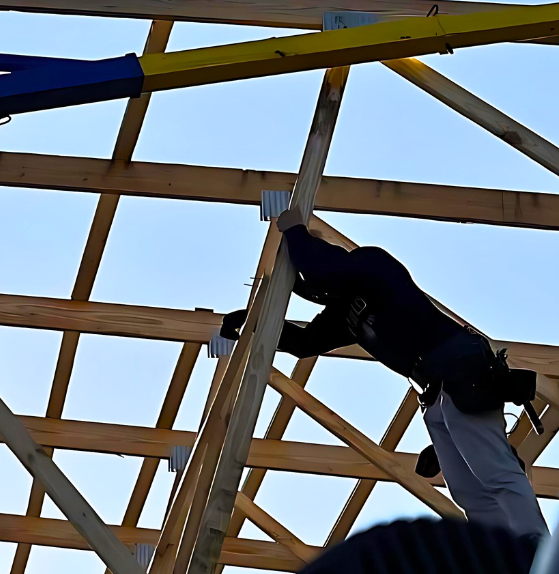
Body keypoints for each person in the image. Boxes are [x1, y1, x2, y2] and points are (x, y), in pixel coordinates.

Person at [222, 218, 546, 538]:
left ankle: (533, 543)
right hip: (437, 391)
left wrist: (293, 229)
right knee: (466, 489)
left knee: (494, 472)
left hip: (460, 372)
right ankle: (502, 552)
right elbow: (304, 342)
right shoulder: (347, 312)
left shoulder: (371, 266)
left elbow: (325, 270)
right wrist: (251, 323)